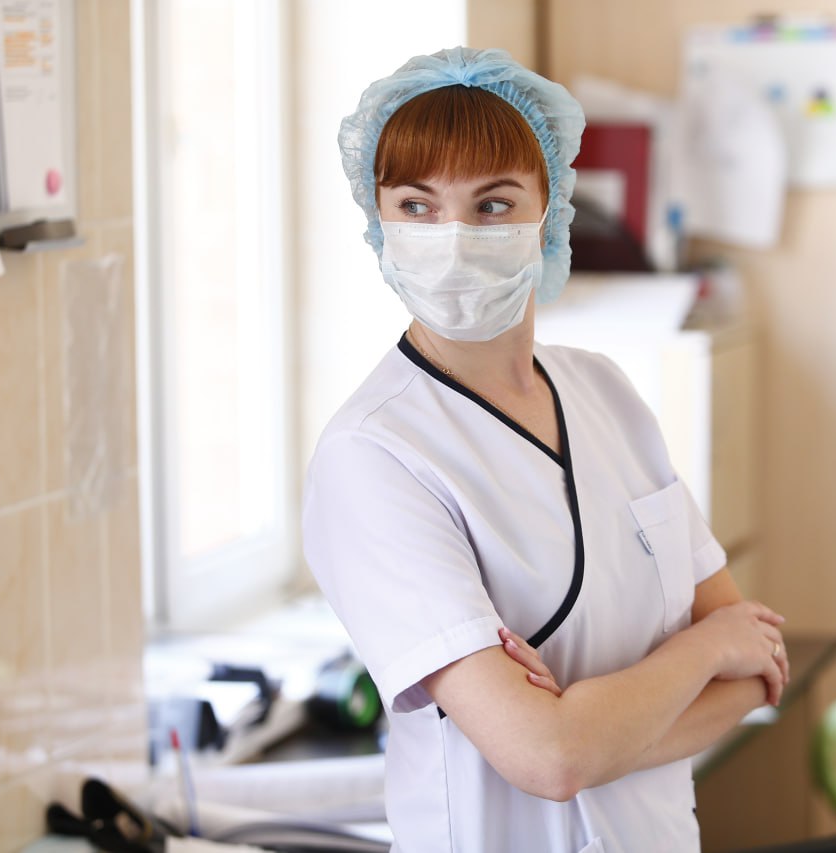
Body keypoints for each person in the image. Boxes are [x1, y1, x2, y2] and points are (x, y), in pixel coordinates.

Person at [303, 47, 790, 852]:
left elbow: (757, 672)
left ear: (550, 211)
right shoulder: (373, 455)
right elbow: (548, 756)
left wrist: (588, 728)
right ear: (378, 219)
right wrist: (704, 649)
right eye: (417, 205)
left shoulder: (606, 393)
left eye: (493, 204)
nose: (453, 238)